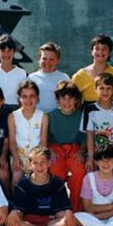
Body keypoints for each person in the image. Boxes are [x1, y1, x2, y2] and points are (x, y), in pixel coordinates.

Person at [5, 146, 76, 226]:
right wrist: (14, 212)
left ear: (49, 163)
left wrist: (68, 215)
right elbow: (19, 211)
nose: (39, 166)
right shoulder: (23, 184)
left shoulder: (57, 183)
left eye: (43, 162)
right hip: (30, 222)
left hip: (50, 221)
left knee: (68, 221)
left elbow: (63, 211)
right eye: (35, 163)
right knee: (13, 222)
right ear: (30, 165)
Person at [80, 73, 113, 177]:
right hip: (97, 152)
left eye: (108, 88)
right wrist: (91, 157)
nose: (105, 92)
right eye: (101, 88)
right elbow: (89, 134)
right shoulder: (89, 110)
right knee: (90, 172)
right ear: (95, 89)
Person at [48, 81, 86, 212]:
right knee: (54, 171)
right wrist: (50, 150)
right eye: (63, 98)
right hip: (56, 148)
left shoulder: (80, 116)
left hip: (74, 149)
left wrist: (81, 151)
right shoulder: (51, 116)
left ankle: (75, 207)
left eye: (70, 98)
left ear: (76, 100)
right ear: (58, 100)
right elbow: (45, 138)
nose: (67, 102)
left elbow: (85, 138)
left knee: (79, 172)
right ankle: (56, 208)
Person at [8, 80, 49, 189]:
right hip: (19, 154)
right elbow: (12, 142)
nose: (28, 100)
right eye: (24, 96)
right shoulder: (13, 116)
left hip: (37, 154)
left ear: (37, 98)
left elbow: (43, 142)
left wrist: (37, 160)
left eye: (32, 96)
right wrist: (16, 158)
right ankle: (16, 203)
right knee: (17, 176)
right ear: (19, 98)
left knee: (37, 176)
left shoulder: (43, 116)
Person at [72, 35, 113, 105]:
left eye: (104, 49)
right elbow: (73, 100)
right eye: (97, 48)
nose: (100, 52)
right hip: (88, 112)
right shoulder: (79, 75)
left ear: (109, 52)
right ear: (92, 51)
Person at [0, 35, 27, 113]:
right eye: (3, 51)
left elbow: (22, 96)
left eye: (9, 50)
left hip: (15, 111)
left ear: (14, 52)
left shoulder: (21, 73)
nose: (6, 54)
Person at [28, 42, 70, 113]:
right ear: (39, 59)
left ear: (57, 60)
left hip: (56, 119)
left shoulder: (64, 78)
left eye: (51, 59)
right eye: (44, 58)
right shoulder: (31, 78)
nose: (47, 62)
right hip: (37, 118)